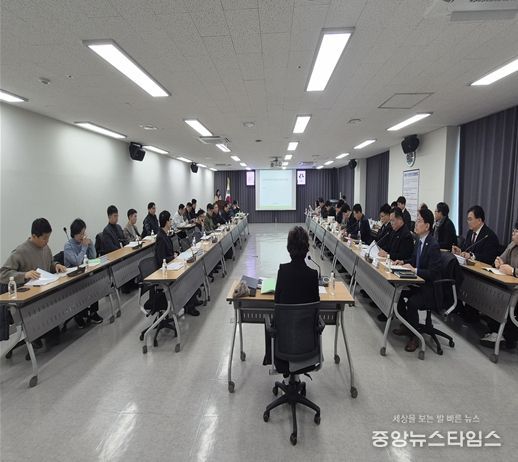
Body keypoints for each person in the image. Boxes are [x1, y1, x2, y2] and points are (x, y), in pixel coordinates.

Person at [0, 218, 67, 346]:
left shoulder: (45, 248)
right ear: (34, 236)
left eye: (48, 238)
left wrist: (56, 265)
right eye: (44, 238)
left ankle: (46, 333)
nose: (47, 241)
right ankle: (36, 337)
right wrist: (24, 275)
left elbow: (50, 263)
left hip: (45, 292)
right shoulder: (21, 251)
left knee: (55, 337)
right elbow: (3, 274)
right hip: (30, 298)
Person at [263, 226, 319, 367]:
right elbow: (316, 305)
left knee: (269, 319)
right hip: (307, 346)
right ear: (307, 248)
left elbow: (277, 301)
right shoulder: (313, 275)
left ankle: (270, 358)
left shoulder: (283, 271)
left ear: (289, 248)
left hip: (284, 347)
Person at [392, 208, 442, 352]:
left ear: (427, 226)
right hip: (419, 284)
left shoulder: (433, 245)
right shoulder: (419, 241)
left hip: (430, 288)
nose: (416, 223)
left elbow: (433, 273)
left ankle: (414, 337)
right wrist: (403, 262)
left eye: (419, 221)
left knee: (412, 303)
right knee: (397, 293)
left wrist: (415, 270)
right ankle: (407, 325)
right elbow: (414, 260)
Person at [479, 223, 518, 349]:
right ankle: (496, 331)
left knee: (504, 297)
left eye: (516, 231)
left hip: (515, 289)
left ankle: (504, 335)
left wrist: (513, 271)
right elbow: (501, 258)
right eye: (513, 230)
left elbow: (512, 270)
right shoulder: (512, 245)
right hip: (509, 285)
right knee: (495, 290)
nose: (513, 233)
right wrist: (498, 262)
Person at [155, 211, 201, 316]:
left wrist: (175, 253)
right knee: (186, 277)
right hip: (166, 270)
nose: (171, 221)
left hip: (172, 264)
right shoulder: (160, 237)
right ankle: (189, 306)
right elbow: (161, 259)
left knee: (191, 272)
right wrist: (173, 257)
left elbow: (169, 252)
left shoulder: (165, 234)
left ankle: (193, 300)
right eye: (170, 220)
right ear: (166, 222)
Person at [64, 218, 103, 327]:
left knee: (94, 282)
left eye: (83, 233)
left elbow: (93, 257)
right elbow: (77, 261)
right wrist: (84, 247)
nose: (82, 236)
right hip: (73, 279)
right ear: (74, 234)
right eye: (80, 234)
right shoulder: (68, 246)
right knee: (80, 288)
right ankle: (79, 315)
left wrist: (90, 245)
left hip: (84, 274)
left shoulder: (83, 243)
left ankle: (93, 312)